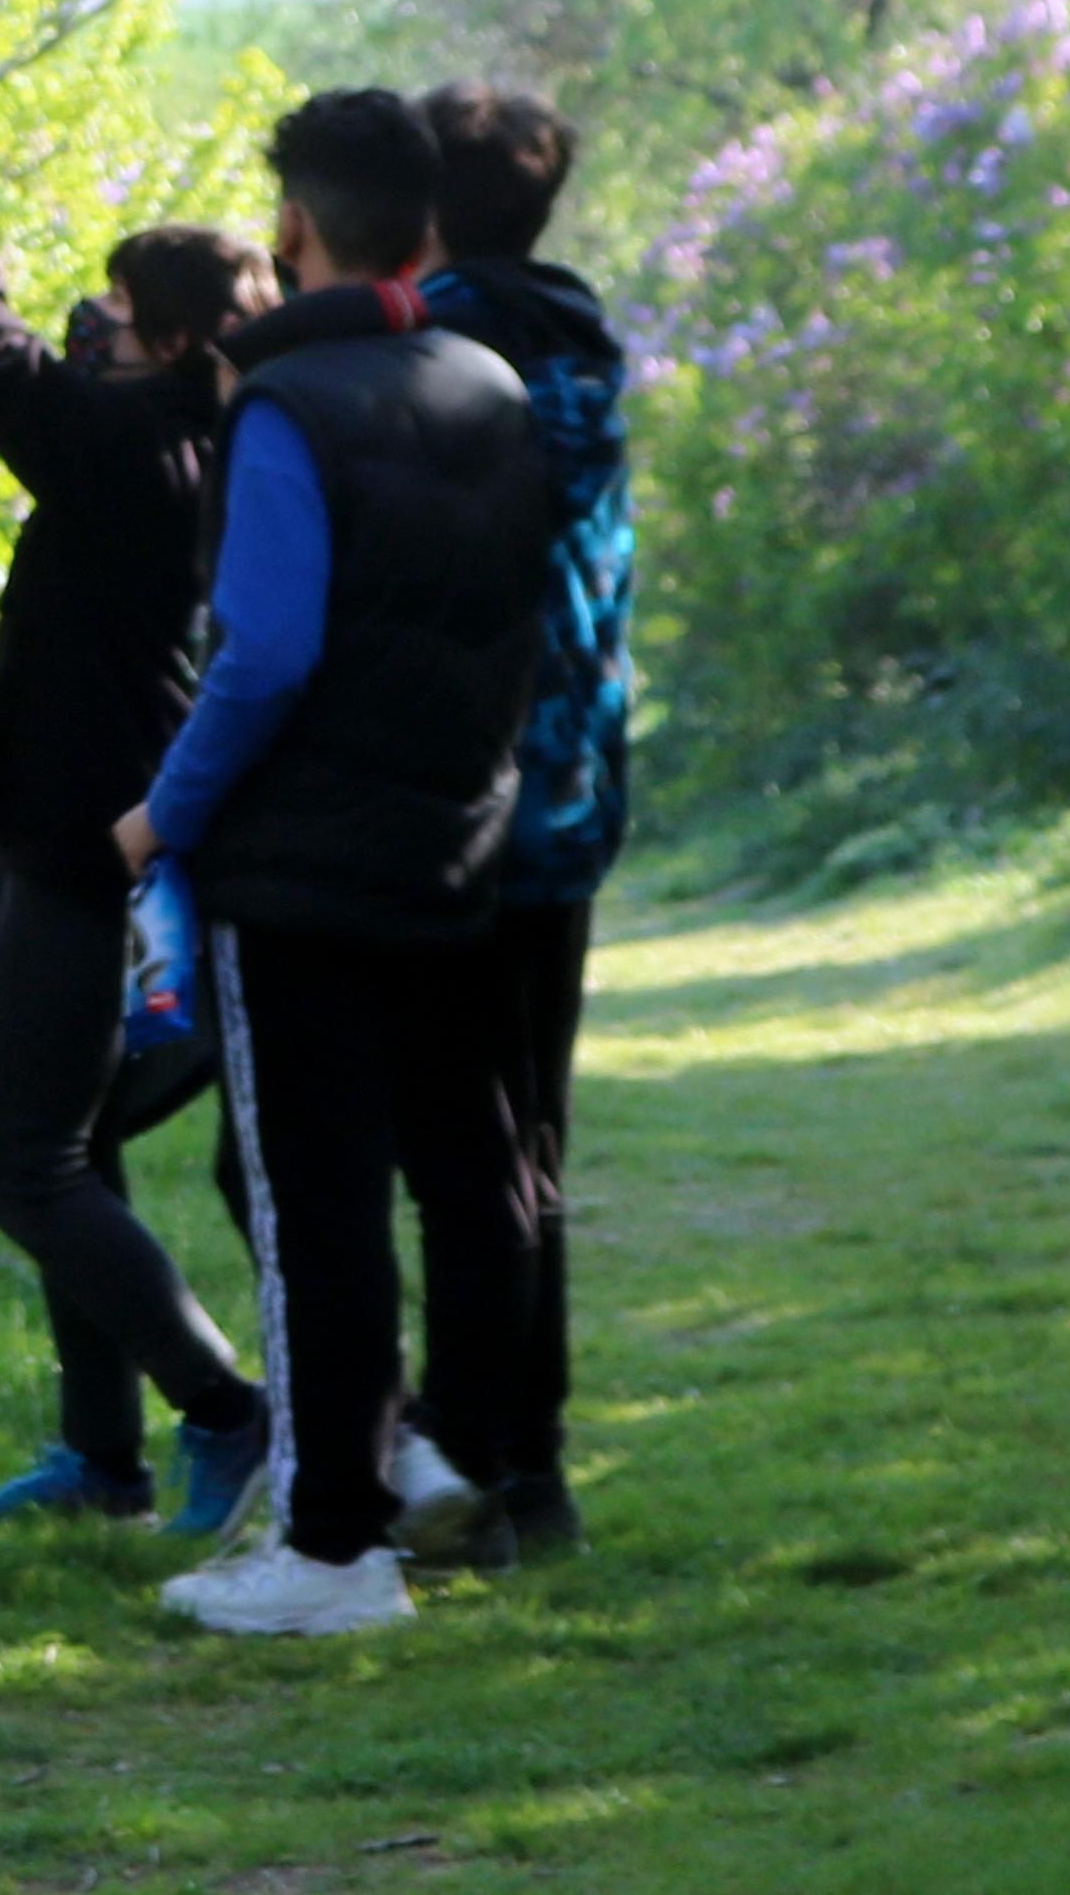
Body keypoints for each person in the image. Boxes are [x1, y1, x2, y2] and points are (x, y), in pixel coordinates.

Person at [113, 87, 556, 1637]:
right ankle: (460, 1455)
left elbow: (265, 651)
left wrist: (163, 811)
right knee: (475, 1171)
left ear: (291, 229)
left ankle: (331, 1552)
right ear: (426, 228)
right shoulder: (496, 387)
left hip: (299, 870)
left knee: (313, 1207)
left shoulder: (287, 413)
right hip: (461, 843)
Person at [0, 42, 274, 1539]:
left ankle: (226, 1412)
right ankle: (102, 1459)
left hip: (90, 850)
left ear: (163, 344)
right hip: (91, 831)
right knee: (72, 1146)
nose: (85, 332)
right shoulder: (190, 435)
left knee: (23, 1164)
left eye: (109, 318)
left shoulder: (133, 449)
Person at [210, 84, 628, 1565]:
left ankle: (402, 1456)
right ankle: (521, 1465)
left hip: (438, 794)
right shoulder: (583, 347)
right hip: (570, 788)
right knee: (516, 1151)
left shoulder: (418, 354)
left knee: (352, 1161)